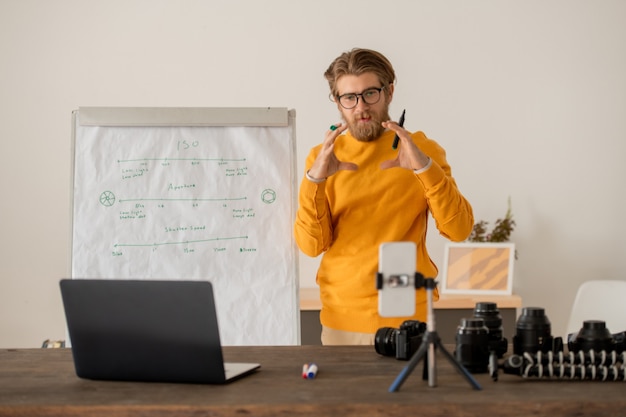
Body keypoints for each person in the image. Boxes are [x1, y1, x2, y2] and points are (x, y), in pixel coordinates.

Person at [294, 48, 474, 345]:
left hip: (407, 318)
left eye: (370, 94)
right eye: (349, 98)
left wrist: (424, 168)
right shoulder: (323, 156)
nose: (360, 107)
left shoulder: (421, 149)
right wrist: (315, 179)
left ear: (389, 92)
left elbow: (459, 229)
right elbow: (311, 246)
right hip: (341, 317)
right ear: (338, 102)